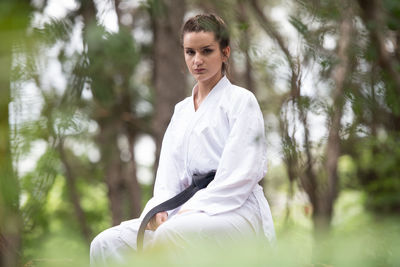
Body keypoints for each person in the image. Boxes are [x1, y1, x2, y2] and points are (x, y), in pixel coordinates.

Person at [90, 13, 275, 266]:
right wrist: (161, 210)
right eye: (190, 52)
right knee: (106, 242)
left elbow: (240, 174)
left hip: (234, 209)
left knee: (171, 234)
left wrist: (194, 209)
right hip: (183, 210)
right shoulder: (182, 111)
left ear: (225, 52)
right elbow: (168, 175)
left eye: (206, 51)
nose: (197, 60)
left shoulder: (241, 101)